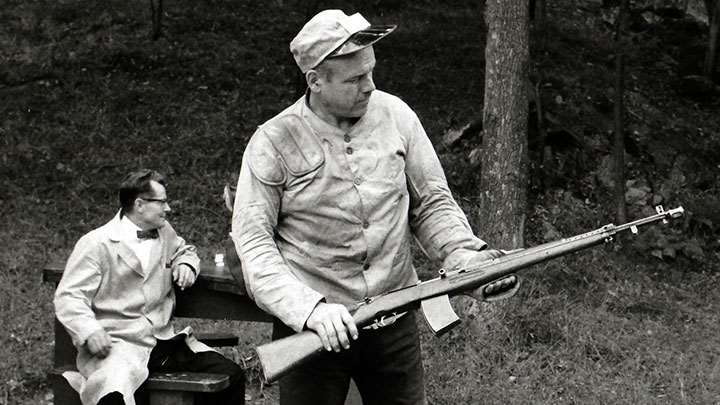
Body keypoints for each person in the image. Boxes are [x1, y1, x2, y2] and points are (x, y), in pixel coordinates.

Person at [231, 9, 500, 405]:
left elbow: (431, 203)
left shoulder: (397, 116)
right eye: (355, 78)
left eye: (371, 72)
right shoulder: (272, 141)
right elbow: (253, 243)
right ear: (315, 81)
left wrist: (464, 254)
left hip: (395, 325)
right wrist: (310, 311)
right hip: (312, 334)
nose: (370, 86)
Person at [54, 169, 245, 405]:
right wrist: (90, 331)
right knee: (115, 394)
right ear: (140, 204)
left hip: (163, 343)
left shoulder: (164, 232)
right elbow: (69, 297)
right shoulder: (96, 244)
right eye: (162, 202)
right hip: (118, 346)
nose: (169, 208)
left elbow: (184, 250)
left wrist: (185, 263)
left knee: (231, 375)